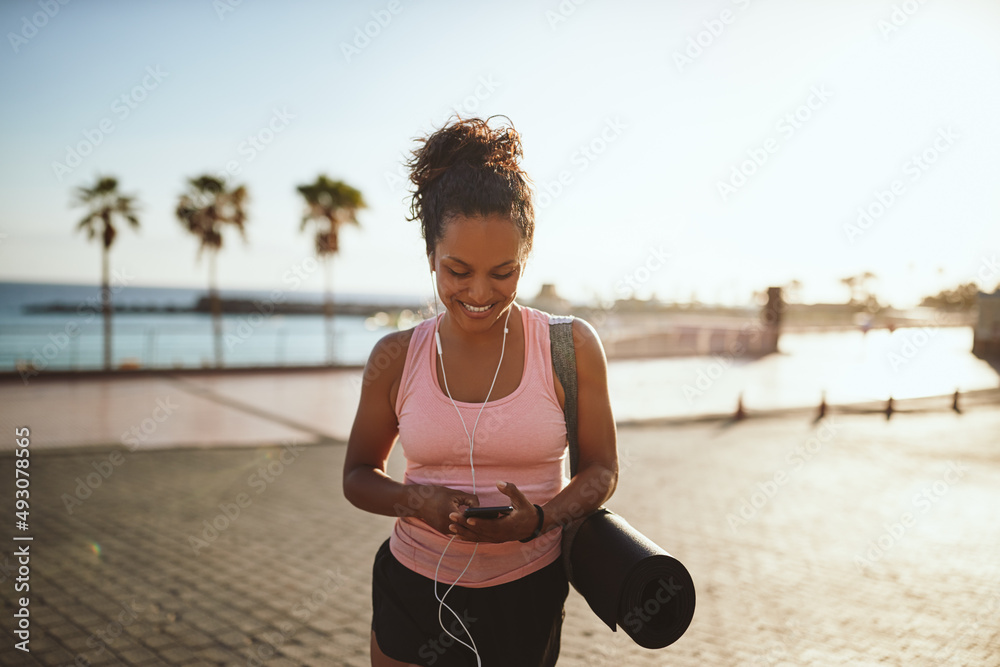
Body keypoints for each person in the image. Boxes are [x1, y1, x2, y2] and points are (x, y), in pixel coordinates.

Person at [343, 116, 618, 666]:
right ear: (430, 258)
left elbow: (602, 472)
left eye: (503, 273)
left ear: (526, 260)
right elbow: (356, 476)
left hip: (528, 592)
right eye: (457, 270)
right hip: (412, 588)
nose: (478, 292)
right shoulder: (396, 357)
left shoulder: (569, 348)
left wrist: (540, 519)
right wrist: (417, 500)